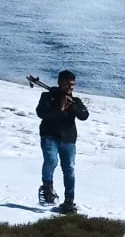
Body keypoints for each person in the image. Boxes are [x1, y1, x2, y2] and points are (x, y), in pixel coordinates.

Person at [34, 70, 89, 211]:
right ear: (59, 83)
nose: (69, 87)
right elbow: (41, 113)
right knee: (51, 161)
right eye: (66, 84)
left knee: (69, 169)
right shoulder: (47, 97)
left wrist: (73, 107)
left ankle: (69, 200)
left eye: (72, 85)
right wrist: (60, 107)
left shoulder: (76, 101)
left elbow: (84, 116)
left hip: (68, 139)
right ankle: (47, 188)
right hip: (49, 136)